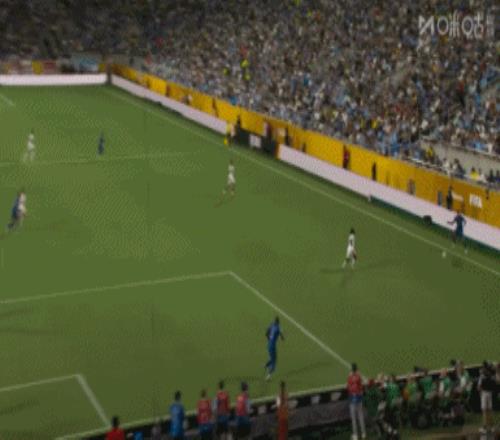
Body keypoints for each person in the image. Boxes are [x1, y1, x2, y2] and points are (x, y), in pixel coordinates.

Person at [347, 363, 366, 440]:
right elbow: (361, 385)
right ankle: (363, 433)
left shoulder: (350, 377)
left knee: (354, 417)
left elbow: (348, 387)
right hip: (359, 397)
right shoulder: (359, 376)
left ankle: (355, 435)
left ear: (352, 369)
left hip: (352, 398)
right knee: (360, 416)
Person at [265, 317, 285, 381]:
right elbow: (282, 337)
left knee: (272, 358)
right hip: (273, 346)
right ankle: (268, 376)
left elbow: (266, 333)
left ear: (274, 321)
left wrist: (269, 339)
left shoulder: (271, 325)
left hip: (268, 344)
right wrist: (282, 337)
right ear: (278, 322)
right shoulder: (278, 327)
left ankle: (266, 365)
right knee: (274, 362)